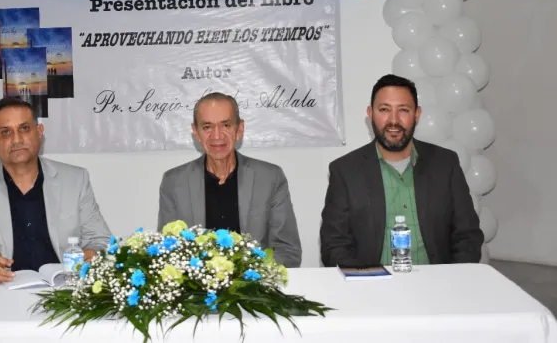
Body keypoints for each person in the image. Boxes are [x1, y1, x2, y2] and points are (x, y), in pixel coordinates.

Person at [0, 97, 111, 283]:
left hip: (61, 292)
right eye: (6, 132)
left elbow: (102, 241)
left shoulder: (75, 180)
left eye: (24, 129)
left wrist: (93, 254)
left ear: (39, 132)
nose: (16, 139)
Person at [319, 74, 484, 267]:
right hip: (372, 289)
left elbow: (468, 236)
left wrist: (449, 281)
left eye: (403, 110)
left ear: (417, 114)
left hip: (437, 287)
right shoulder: (345, 171)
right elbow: (333, 246)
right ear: (370, 114)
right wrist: (366, 283)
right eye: (384, 110)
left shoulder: (445, 164)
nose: (394, 120)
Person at [157, 92, 302, 267]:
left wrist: (247, 277)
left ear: (239, 129)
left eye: (225, 125)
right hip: (198, 290)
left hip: (256, 287)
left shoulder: (270, 177)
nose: (217, 136)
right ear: (196, 132)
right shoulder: (174, 182)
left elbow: (287, 251)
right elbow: (168, 252)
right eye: (207, 127)